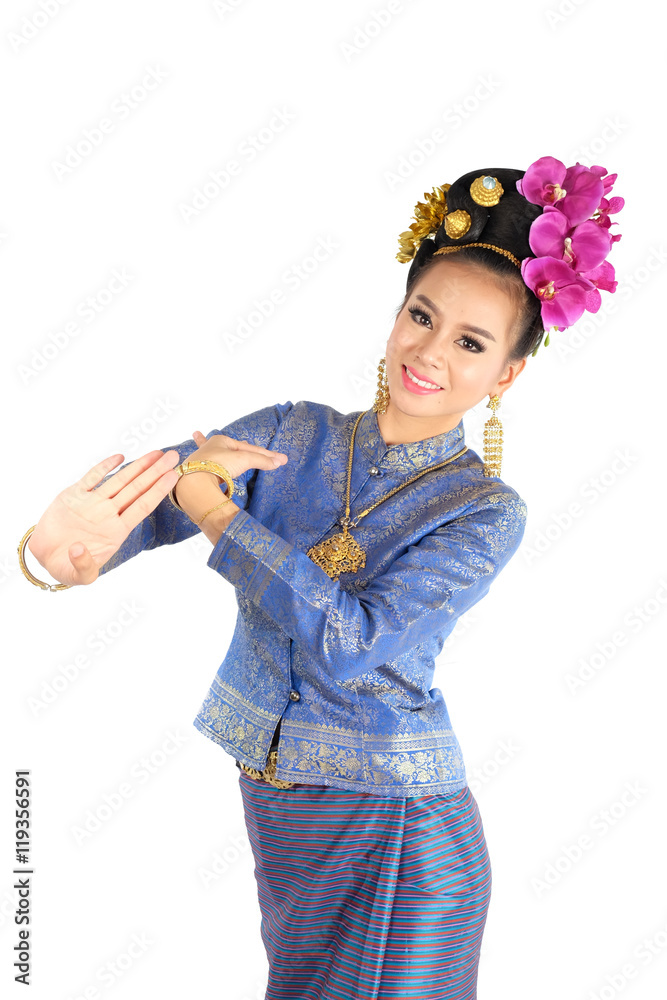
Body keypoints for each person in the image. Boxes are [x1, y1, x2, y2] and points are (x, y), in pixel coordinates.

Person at [19, 156, 623, 999]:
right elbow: (144, 507)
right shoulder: (288, 434)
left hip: (399, 835)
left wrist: (218, 513)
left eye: (471, 343)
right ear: (397, 314)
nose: (429, 352)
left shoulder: (483, 511)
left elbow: (351, 641)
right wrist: (52, 552)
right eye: (421, 316)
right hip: (286, 824)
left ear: (506, 373)